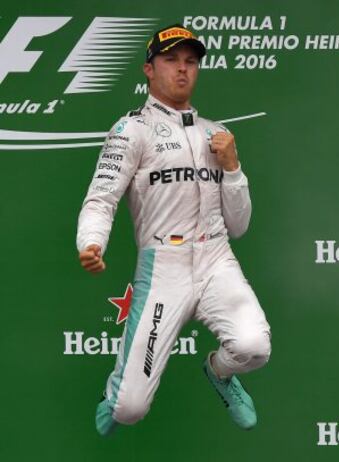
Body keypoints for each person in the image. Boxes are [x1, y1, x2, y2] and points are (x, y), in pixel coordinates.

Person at [76, 24, 271, 436]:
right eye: (170, 61)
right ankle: (117, 394)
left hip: (217, 258)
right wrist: (91, 242)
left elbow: (239, 225)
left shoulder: (215, 135)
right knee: (128, 410)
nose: (182, 70)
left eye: (190, 62)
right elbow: (101, 198)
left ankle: (219, 374)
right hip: (164, 265)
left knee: (254, 348)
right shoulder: (132, 130)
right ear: (149, 70)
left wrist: (233, 168)